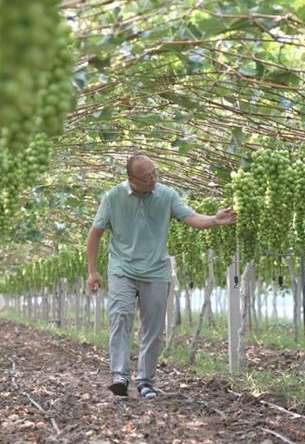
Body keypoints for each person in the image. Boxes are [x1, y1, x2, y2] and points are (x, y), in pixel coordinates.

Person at [86, 154, 236, 398]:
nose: (152, 179)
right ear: (131, 178)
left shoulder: (167, 195)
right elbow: (95, 234)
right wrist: (92, 272)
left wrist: (214, 221)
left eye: (154, 173)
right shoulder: (113, 197)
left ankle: (145, 381)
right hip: (122, 269)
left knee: (153, 327)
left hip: (156, 270)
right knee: (120, 317)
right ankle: (120, 376)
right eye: (146, 177)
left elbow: (192, 218)